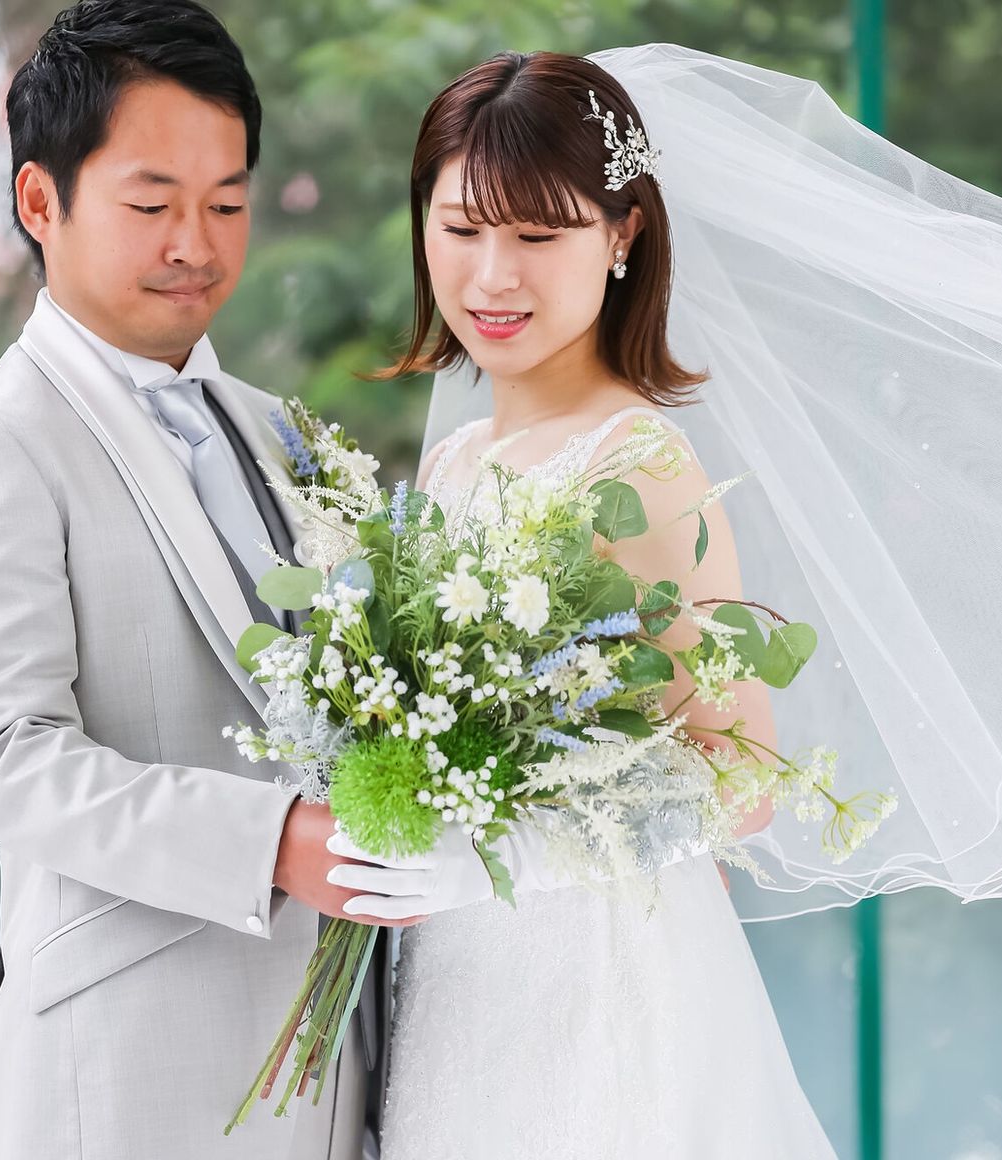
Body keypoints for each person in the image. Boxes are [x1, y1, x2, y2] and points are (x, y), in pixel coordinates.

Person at [0, 3, 407, 1157]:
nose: (197, 244)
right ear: (41, 201)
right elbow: (4, 758)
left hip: (327, 1076)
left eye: (226, 203)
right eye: (151, 204)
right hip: (120, 1084)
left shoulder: (284, 434)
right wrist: (275, 838)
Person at [327, 51, 841, 1157]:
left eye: (538, 234)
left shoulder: (638, 463)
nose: (492, 276)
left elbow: (742, 777)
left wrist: (510, 851)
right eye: (461, 228)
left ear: (622, 236)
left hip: (596, 984)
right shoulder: (455, 460)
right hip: (464, 983)